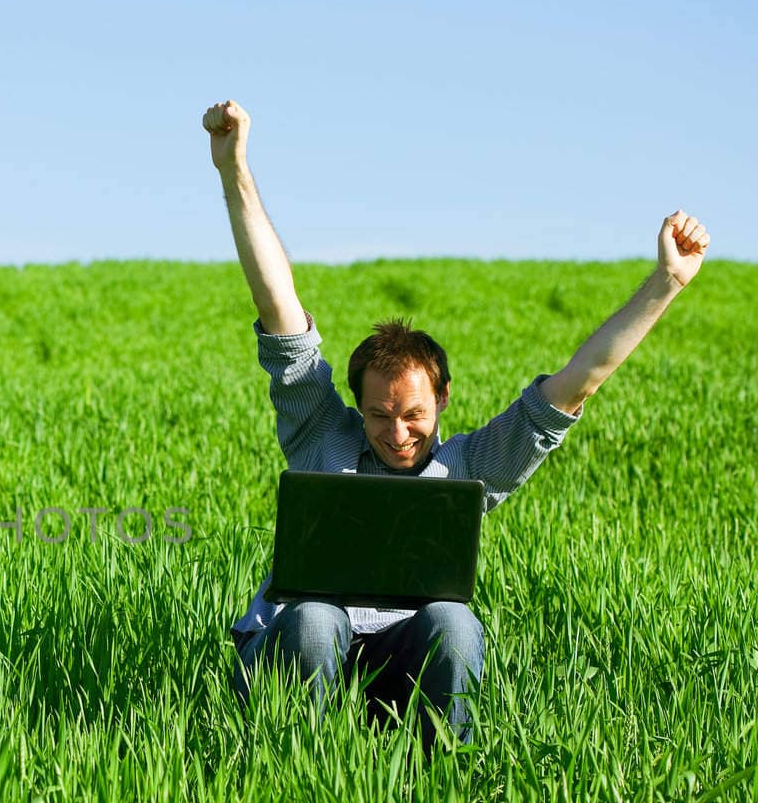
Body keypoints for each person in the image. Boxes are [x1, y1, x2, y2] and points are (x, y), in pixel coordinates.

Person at [202, 99, 710, 749]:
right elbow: (278, 304)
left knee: (457, 621)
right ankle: (305, 774)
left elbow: (576, 382)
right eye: (379, 414)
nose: (397, 432)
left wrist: (665, 281)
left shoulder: (468, 467)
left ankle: (444, 779)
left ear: (441, 400)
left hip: (399, 669)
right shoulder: (317, 432)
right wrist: (234, 168)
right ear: (356, 404)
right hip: (294, 657)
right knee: (314, 617)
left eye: (412, 414)